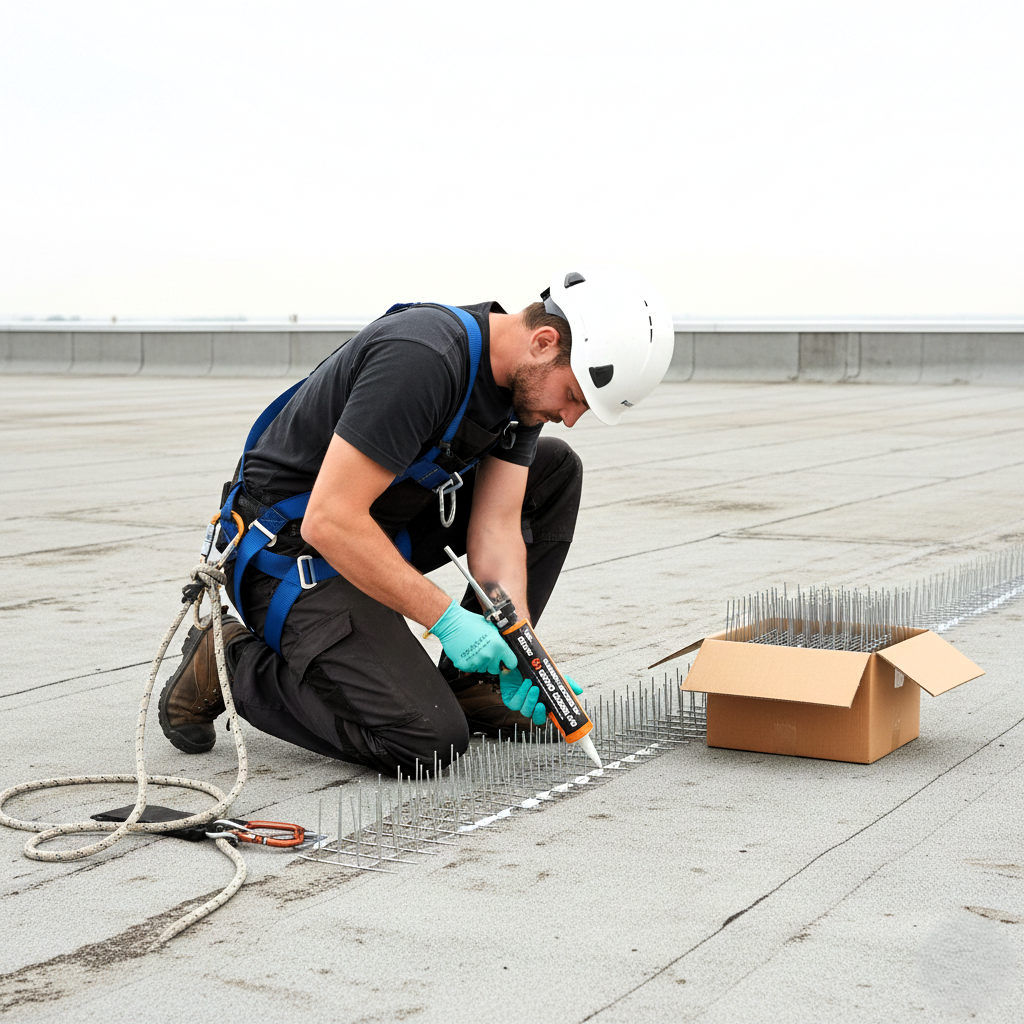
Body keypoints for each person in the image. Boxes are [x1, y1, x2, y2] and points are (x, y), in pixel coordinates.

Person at [158, 267, 674, 777]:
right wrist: (448, 620)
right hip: (287, 554)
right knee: (425, 739)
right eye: (576, 395)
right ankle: (226, 660)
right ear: (544, 341)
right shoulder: (423, 359)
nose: (573, 416)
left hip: (372, 527)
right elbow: (330, 522)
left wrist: (520, 645)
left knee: (554, 471)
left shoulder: (521, 395)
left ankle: (474, 686)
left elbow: (497, 527)